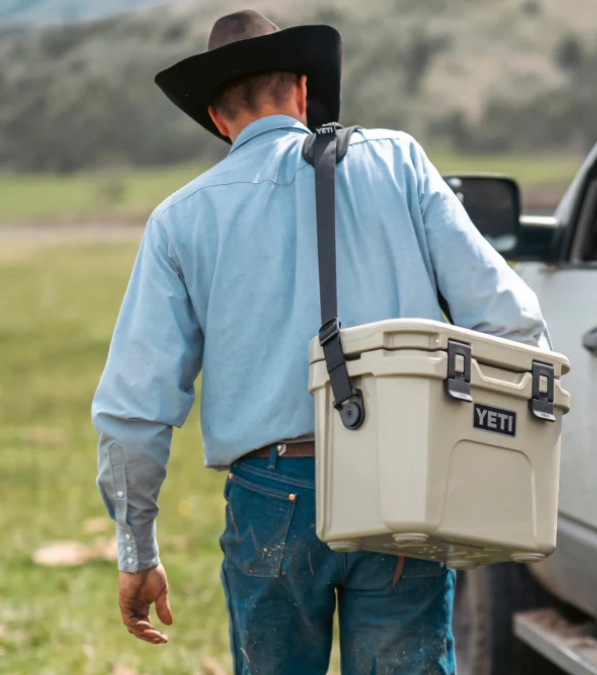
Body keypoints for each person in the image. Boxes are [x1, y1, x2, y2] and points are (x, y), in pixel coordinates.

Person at [92, 9, 548, 675]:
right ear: (303, 93)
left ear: (219, 119)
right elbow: (512, 321)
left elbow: (134, 412)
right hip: (403, 484)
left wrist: (137, 551)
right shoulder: (398, 161)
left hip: (269, 495)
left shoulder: (179, 220)